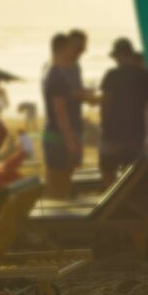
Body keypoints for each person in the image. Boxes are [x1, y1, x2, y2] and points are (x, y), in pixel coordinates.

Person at [99, 39, 148, 187]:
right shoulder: (145, 75)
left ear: (117, 56)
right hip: (136, 134)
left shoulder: (111, 75)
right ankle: (127, 201)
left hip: (113, 133)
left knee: (107, 169)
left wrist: (103, 126)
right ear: (131, 55)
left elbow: (105, 104)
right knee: (133, 175)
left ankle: (111, 196)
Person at [42, 34, 85, 199]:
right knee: (57, 182)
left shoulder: (53, 70)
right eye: (70, 47)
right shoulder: (55, 75)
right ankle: (53, 219)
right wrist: (70, 139)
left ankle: (57, 213)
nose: (72, 51)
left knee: (63, 181)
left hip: (59, 132)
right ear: (61, 49)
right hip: (59, 134)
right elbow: (60, 111)